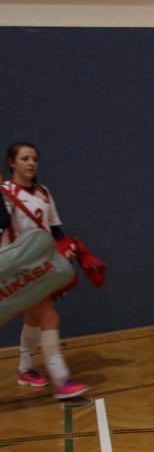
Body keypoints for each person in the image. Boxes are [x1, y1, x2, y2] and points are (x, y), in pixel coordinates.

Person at [2, 142, 89, 399]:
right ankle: (61, 380)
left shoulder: (44, 192)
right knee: (50, 317)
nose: (31, 163)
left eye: (34, 159)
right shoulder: (5, 192)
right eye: (24, 158)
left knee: (33, 319)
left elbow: (54, 229)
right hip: (19, 269)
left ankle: (25, 370)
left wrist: (65, 249)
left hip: (43, 267)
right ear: (11, 162)